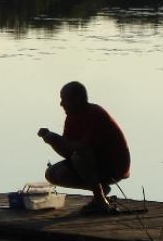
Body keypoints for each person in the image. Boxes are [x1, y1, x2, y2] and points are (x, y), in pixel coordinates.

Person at [38, 81, 130, 214]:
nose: (61, 104)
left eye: (64, 99)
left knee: (80, 157)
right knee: (53, 174)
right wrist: (52, 141)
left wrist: (58, 139)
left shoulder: (95, 114)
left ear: (78, 99)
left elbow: (84, 149)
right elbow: (68, 152)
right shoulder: (71, 117)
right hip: (94, 163)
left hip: (114, 167)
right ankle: (101, 190)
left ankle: (100, 201)